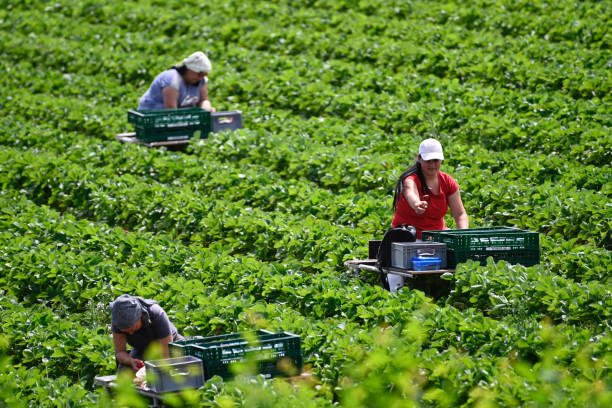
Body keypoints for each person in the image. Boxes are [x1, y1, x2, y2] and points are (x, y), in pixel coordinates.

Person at [391, 138, 469, 240]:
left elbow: (460, 214)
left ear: (441, 160)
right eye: (428, 161)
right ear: (419, 158)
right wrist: (416, 204)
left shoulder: (447, 181)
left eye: (436, 160)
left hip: (437, 236)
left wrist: (462, 235)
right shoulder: (410, 180)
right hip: (409, 237)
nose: (432, 165)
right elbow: (411, 192)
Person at [110, 294, 184, 372]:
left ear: (140, 316)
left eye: (132, 329)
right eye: (126, 331)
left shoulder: (156, 314)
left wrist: (150, 373)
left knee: (172, 372)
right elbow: (120, 352)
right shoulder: (117, 321)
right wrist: (131, 361)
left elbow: (166, 356)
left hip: (170, 346)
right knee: (124, 371)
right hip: (142, 348)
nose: (131, 333)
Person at [137, 51, 216, 111]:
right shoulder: (173, 80)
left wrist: (207, 110)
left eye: (205, 75)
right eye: (200, 74)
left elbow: (203, 99)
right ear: (189, 70)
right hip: (153, 114)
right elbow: (170, 110)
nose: (201, 78)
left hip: (179, 117)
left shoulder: (201, 81)